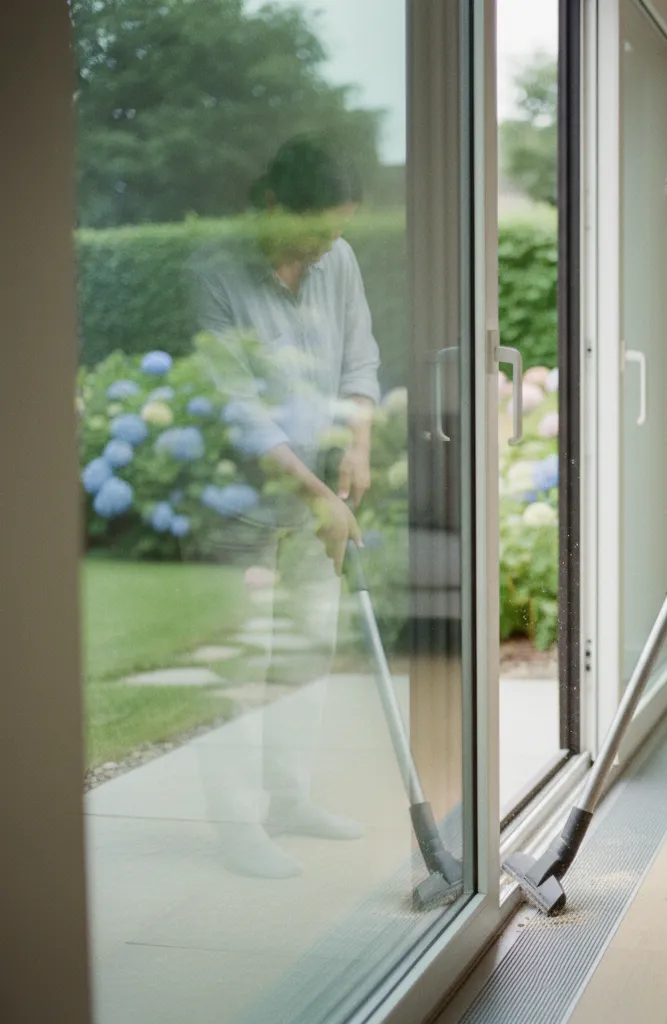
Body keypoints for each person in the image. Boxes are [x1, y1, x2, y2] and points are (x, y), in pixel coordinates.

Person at [187, 136, 382, 878]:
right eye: (317, 228)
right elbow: (240, 409)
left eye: (339, 230)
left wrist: (355, 447)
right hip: (239, 501)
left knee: (304, 649)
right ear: (273, 202)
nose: (329, 244)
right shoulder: (213, 273)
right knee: (244, 658)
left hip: (320, 496)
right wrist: (320, 494)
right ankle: (237, 825)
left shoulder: (338, 261)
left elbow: (359, 358)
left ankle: (289, 799)